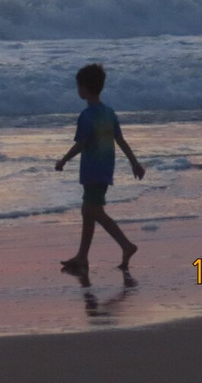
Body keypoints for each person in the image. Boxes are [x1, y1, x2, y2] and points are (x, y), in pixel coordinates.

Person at [55, 63, 145, 270]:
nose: (77, 90)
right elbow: (121, 140)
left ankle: (126, 245)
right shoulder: (109, 112)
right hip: (105, 168)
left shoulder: (87, 116)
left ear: (85, 88)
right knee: (88, 211)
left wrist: (63, 160)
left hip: (92, 169)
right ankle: (82, 257)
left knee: (95, 211)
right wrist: (135, 163)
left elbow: (81, 144)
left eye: (78, 86)